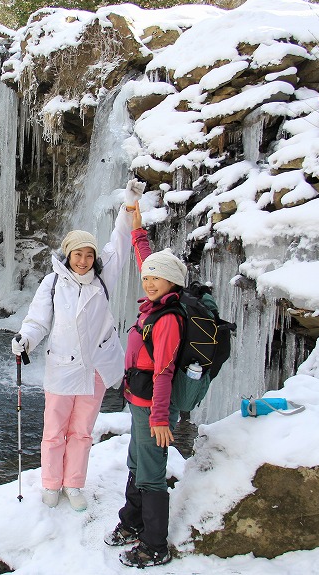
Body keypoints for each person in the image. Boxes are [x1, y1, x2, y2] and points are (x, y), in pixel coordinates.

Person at [11, 181, 142, 512]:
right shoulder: (53, 282)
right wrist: (25, 339)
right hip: (62, 366)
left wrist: (129, 204)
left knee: (82, 430)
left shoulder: (103, 277)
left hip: (96, 366)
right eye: (77, 254)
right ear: (67, 255)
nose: (83, 260)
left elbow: (121, 241)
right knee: (55, 429)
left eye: (88, 255)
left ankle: (74, 483)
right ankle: (52, 483)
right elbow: (38, 320)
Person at [104, 206, 187, 568]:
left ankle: (155, 545)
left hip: (153, 407)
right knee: (137, 462)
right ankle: (133, 521)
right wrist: (138, 230)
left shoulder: (167, 320)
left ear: (173, 284)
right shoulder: (155, 303)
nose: (149, 282)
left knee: (151, 473)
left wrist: (159, 418)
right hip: (138, 402)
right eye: (148, 278)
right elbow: (146, 263)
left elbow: (165, 372)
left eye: (157, 279)